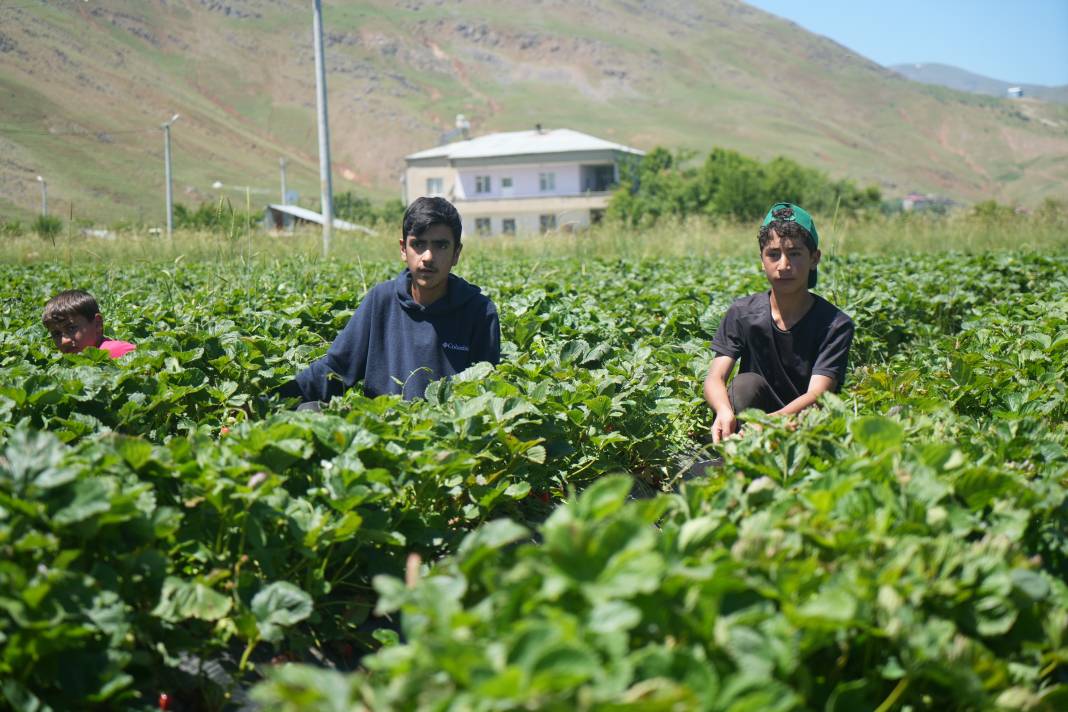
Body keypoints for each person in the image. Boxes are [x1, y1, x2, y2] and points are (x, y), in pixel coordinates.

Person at [279, 196, 500, 405]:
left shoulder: (480, 312)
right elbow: (336, 369)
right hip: (386, 431)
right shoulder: (380, 301)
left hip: (448, 435)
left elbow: (483, 392)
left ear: (456, 253)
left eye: (441, 245)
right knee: (308, 411)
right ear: (404, 249)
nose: (428, 257)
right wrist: (273, 397)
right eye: (419, 244)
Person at [704, 202, 854, 443]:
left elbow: (818, 394)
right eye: (773, 254)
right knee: (744, 385)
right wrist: (723, 410)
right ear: (762, 260)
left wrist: (772, 423)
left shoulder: (835, 325)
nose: (784, 265)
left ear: (814, 258)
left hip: (808, 422)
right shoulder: (742, 313)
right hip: (751, 420)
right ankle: (737, 450)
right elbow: (715, 378)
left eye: (794, 254)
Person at [42, 289, 136, 359]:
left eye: (71, 328)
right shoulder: (68, 361)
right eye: (56, 334)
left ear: (97, 324)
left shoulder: (115, 351)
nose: (64, 341)